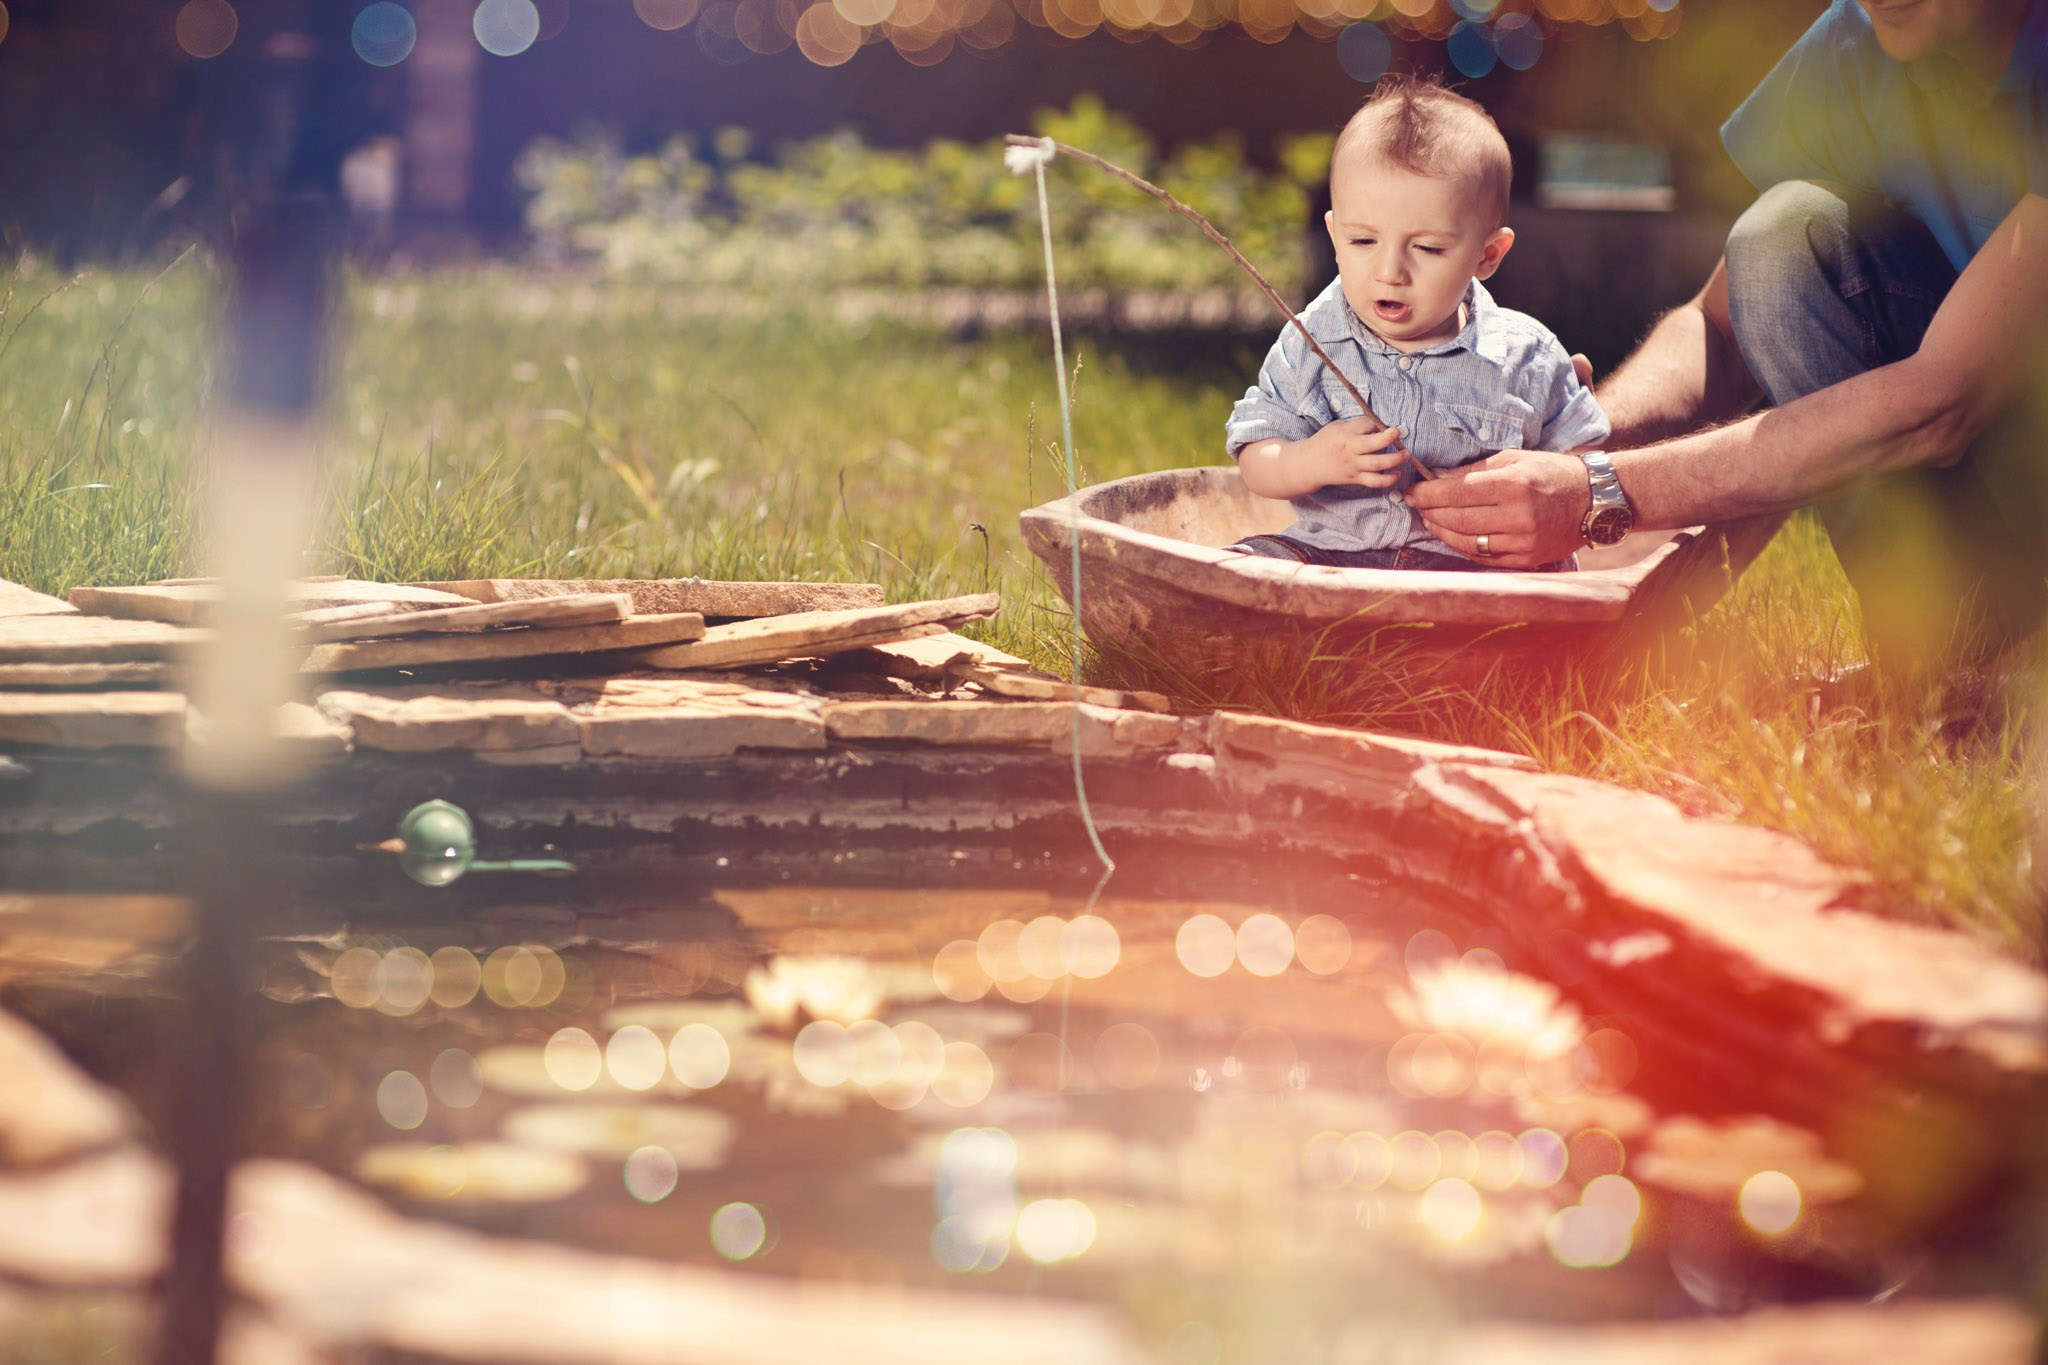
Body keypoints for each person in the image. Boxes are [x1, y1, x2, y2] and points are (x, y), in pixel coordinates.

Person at [1403, 0, 2048, 667]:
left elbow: (1943, 401)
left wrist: (1595, 492)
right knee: (1781, 241)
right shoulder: (1864, 39)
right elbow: (1722, 326)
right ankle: (1958, 650)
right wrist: (1581, 426)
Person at [1222, 75, 1610, 572]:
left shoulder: (1525, 356)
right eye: (1363, 242)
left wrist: (1574, 458)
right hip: (1335, 556)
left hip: (1477, 570)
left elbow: (1578, 474)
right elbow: (1258, 455)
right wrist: (1313, 460)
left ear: (1488, 255)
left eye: (1427, 248)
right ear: (1334, 234)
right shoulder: (1311, 342)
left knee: (1541, 588)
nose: (1390, 272)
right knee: (1245, 565)